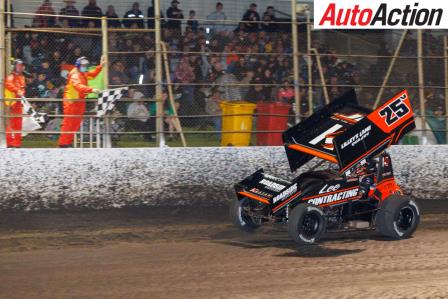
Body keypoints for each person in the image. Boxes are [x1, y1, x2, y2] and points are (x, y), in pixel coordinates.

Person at [58, 56, 104, 147]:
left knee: (76, 123)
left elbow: (93, 74)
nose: (85, 67)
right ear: (78, 65)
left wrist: (101, 66)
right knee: (69, 123)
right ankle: (63, 144)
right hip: (71, 101)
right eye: (84, 65)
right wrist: (91, 90)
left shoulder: (83, 72)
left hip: (79, 100)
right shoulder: (75, 74)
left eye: (86, 66)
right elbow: (78, 86)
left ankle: (67, 142)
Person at [4, 59, 26, 148]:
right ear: (14, 67)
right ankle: (10, 143)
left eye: (21, 65)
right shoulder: (11, 76)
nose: (20, 67)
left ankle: (17, 143)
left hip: (19, 102)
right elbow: (8, 84)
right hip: (12, 103)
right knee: (11, 123)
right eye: (18, 65)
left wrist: (21, 92)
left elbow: (23, 89)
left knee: (18, 124)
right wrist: (18, 90)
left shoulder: (22, 77)